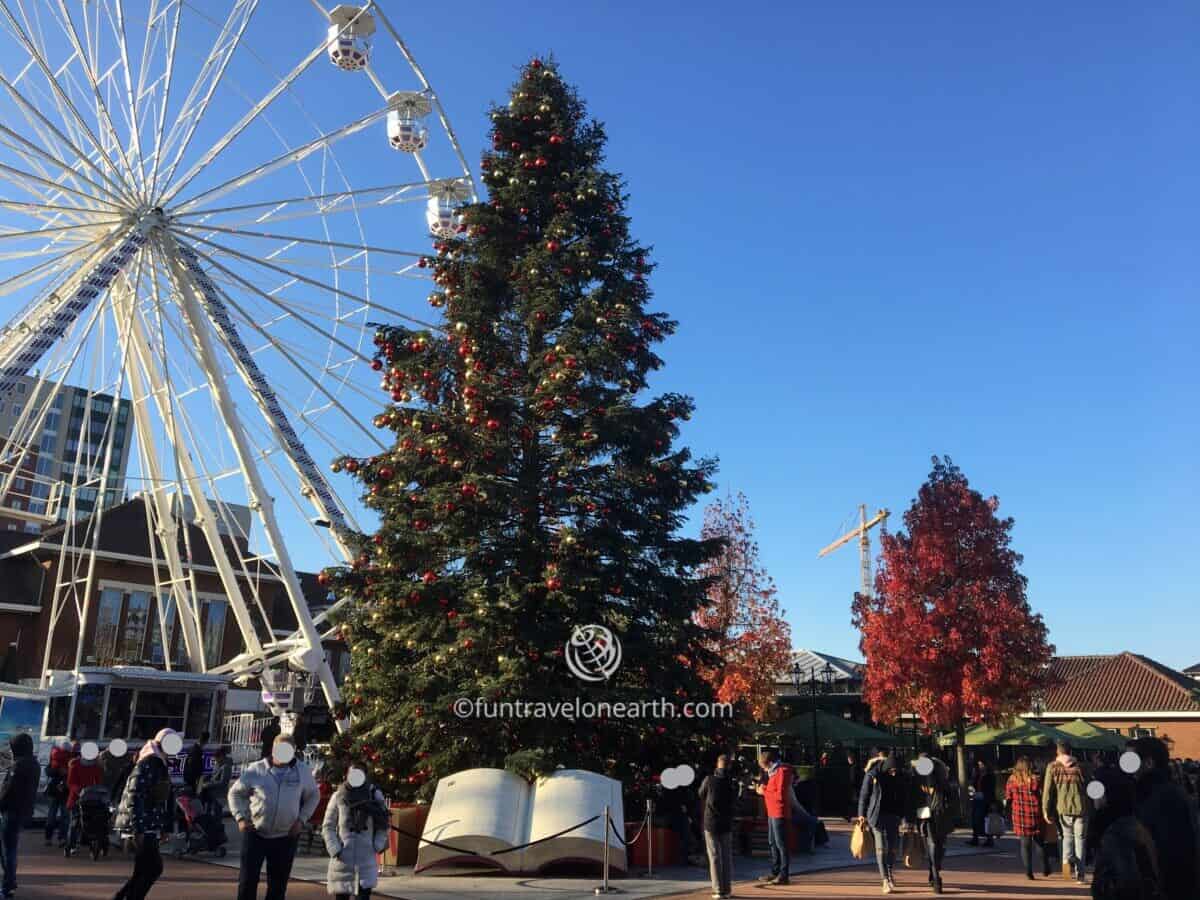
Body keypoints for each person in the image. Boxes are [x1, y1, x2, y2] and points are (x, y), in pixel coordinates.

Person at [229, 733, 319, 900]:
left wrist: (301, 820)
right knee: (248, 882)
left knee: (278, 886)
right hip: (256, 833)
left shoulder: (302, 771)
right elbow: (235, 793)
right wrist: (240, 818)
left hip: (286, 836)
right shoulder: (256, 769)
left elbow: (314, 795)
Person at [1128, 737, 1199, 900]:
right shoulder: (1162, 792)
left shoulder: (1158, 797)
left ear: (1148, 763)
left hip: (1167, 886)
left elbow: (1169, 849)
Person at [113, 730, 176, 900]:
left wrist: (163, 827)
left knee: (142, 870)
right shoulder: (150, 762)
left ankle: (121, 897)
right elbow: (135, 795)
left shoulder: (157, 762)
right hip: (141, 824)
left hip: (146, 823)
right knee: (154, 868)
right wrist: (138, 827)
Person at [322, 769, 389, 900]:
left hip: (366, 859)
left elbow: (384, 824)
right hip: (342, 859)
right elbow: (327, 825)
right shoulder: (338, 796)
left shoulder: (374, 796)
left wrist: (377, 845)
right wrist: (334, 849)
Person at [859, 751, 908, 894]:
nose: (894, 773)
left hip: (894, 815)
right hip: (877, 815)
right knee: (881, 848)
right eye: (891, 770)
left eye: (896, 771)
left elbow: (905, 798)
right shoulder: (873, 775)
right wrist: (861, 814)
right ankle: (885, 880)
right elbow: (864, 796)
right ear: (886, 767)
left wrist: (906, 819)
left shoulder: (901, 776)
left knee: (893, 847)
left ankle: (890, 872)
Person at [1043, 739, 1091, 883]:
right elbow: (1090, 786)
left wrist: (1045, 809)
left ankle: (1066, 872)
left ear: (1058, 751)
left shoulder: (1052, 767)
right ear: (1071, 751)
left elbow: (1048, 790)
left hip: (1062, 808)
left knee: (1066, 839)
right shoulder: (1081, 767)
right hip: (1081, 807)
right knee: (1080, 840)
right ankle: (1080, 875)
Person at [0, 734, 41, 899]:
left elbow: (8, 791)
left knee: (8, 850)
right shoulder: (34, 764)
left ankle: (8, 885)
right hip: (24, 811)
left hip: (11, 811)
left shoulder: (18, 766)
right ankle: (9, 883)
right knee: (10, 848)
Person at [911, 751, 955, 893]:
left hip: (933, 814)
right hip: (932, 814)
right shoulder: (921, 777)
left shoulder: (932, 778)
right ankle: (935, 875)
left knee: (935, 845)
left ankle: (934, 871)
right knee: (935, 844)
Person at [1004, 756, 1051, 880]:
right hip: (1035, 814)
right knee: (1040, 843)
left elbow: (1008, 797)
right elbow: (1043, 795)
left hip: (1019, 815)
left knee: (1024, 844)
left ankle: (1028, 871)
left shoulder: (1011, 780)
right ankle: (1045, 867)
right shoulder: (1036, 780)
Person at [697, 755, 735, 900]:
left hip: (711, 821)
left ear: (717, 765)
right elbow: (734, 800)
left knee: (714, 857)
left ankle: (718, 890)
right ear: (729, 766)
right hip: (726, 822)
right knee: (726, 856)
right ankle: (727, 889)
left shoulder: (709, 780)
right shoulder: (732, 782)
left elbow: (700, 794)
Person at [752, 750, 792, 886]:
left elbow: (779, 795)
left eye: (763, 766)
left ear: (769, 763)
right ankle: (775, 871)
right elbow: (774, 790)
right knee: (772, 842)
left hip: (779, 812)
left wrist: (764, 791)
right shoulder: (772, 773)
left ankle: (784, 874)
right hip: (772, 812)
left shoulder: (781, 772)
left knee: (781, 844)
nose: (763, 769)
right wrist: (766, 788)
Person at [65, 747, 104, 855]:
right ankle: (71, 845)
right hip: (76, 798)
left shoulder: (96, 766)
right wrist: (80, 791)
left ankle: (91, 844)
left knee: (92, 822)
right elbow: (70, 782)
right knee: (74, 823)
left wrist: (97, 791)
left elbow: (98, 781)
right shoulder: (75, 764)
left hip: (91, 798)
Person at [43, 737, 72, 846]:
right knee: (65, 816)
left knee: (52, 815)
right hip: (66, 790)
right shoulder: (71, 757)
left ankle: (48, 838)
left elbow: (48, 771)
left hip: (54, 790)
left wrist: (57, 771)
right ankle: (62, 838)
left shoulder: (55, 756)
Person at [968, 758, 996, 847]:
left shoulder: (990, 776)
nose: (980, 767)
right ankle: (975, 838)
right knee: (974, 818)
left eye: (982, 765)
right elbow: (974, 785)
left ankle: (989, 839)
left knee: (985, 819)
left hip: (986, 800)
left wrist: (988, 798)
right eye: (979, 765)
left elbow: (991, 789)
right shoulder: (977, 775)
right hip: (977, 798)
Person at [199, 746, 232, 818]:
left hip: (219, 795)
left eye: (217, 758)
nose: (215, 760)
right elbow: (214, 774)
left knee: (216, 815)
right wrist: (206, 777)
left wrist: (208, 785)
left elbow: (223, 782)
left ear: (222, 756)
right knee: (208, 813)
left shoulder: (226, 767)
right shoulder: (217, 764)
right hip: (212, 793)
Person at [183, 732, 208, 797]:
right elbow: (193, 765)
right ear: (206, 741)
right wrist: (198, 779)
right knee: (193, 797)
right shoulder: (197, 750)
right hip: (193, 778)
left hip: (190, 777)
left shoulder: (193, 748)